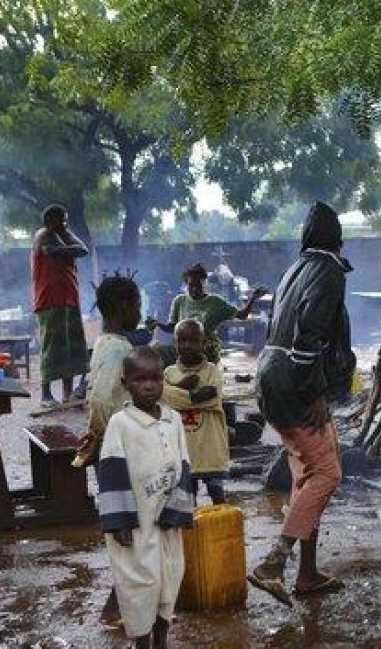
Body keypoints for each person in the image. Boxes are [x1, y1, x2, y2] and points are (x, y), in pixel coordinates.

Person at [250, 201, 355, 605]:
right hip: (294, 381)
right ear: (338, 239)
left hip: (270, 373)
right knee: (326, 474)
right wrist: (315, 393)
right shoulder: (328, 269)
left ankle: (307, 574)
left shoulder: (294, 268)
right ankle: (272, 565)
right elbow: (308, 335)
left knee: (306, 476)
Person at [97, 347, 194, 649]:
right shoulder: (121, 424)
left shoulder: (173, 420)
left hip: (167, 520)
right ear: (126, 384)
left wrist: (179, 508)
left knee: (170, 578)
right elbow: (111, 471)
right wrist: (120, 522)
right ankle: (142, 641)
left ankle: (162, 639)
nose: (149, 385)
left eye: (155, 378)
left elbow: (185, 465)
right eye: (140, 380)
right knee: (140, 584)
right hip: (136, 524)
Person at [73, 272, 143, 630]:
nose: (141, 311)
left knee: (129, 524)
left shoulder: (105, 342)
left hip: (110, 445)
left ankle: (122, 600)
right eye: (137, 304)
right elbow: (101, 399)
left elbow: (97, 393)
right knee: (130, 524)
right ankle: (117, 605)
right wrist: (104, 433)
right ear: (122, 307)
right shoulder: (119, 349)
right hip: (117, 451)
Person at [162, 319, 229, 505]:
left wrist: (177, 392)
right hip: (183, 449)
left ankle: (222, 532)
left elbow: (213, 397)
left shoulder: (212, 371)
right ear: (175, 343)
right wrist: (193, 394)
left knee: (218, 496)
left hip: (210, 448)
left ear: (203, 343)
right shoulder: (169, 373)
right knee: (188, 501)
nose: (187, 345)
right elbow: (163, 399)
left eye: (193, 340)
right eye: (181, 340)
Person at [147, 262, 268, 364]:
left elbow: (242, 315)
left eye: (198, 285)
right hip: (183, 349)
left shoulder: (215, 302)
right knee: (155, 348)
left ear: (204, 283)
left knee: (199, 353)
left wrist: (252, 299)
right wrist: (158, 323)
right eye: (191, 285)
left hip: (205, 349)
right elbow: (172, 327)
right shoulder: (179, 301)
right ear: (186, 284)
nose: (194, 289)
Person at [31, 204, 90, 407]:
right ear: (49, 221)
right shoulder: (43, 234)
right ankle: (46, 395)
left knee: (71, 347)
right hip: (50, 300)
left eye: (66, 220)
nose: (65, 223)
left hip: (70, 298)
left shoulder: (64, 234)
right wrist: (65, 249)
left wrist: (62, 248)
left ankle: (67, 394)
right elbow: (51, 252)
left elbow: (83, 250)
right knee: (51, 346)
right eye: (61, 220)